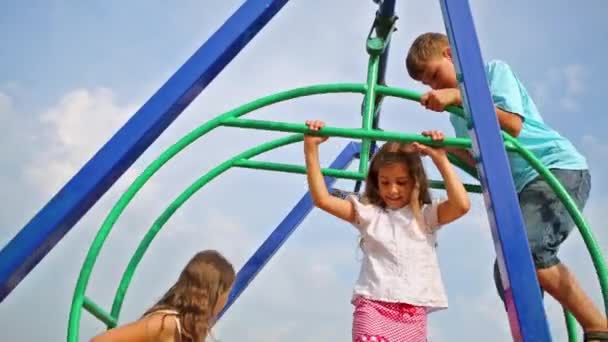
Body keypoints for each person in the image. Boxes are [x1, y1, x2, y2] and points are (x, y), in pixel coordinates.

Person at [405, 32, 607, 341]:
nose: (433, 86)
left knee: (528, 248)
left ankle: (598, 326)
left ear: (449, 54)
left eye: (434, 75)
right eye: (427, 84)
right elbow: (481, 164)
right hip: (521, 187)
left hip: (555, 168)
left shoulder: (491, 74)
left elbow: (512, 124)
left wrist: (459, 95)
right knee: (507, 273)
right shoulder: (458, 118)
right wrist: (445, 150)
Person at [304, 119, 470, 342]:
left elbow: (461, 205)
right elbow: (322, 199)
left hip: (413, 313)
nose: (393, 190)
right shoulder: (369, 214)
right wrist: (311, 148)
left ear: (415, 182)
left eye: (401, 182)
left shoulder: (426, 216)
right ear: (376, 182)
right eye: (385, 182)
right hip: (374, 306)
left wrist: (440, 158)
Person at [90, 250, 235, 342]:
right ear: (216, 293)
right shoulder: (167, 324)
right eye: (227, 292)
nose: (226, 300)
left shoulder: (188, 331)